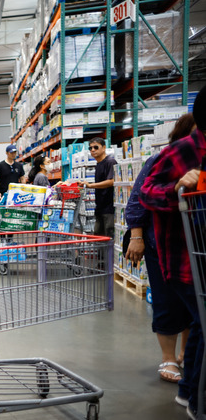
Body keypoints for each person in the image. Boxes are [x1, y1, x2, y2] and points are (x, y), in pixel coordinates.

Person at [140, 85, 206, 419]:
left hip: (196, 256)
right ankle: (194, 395)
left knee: (200, 323)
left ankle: (189, 391)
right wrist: (178, 186)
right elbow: (143, 195)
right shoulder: (176, 154)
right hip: (183, 257)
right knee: (195, 318)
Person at [126, 113, 196, 386]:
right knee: (167, 300)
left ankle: (185, 355)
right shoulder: (160, 161)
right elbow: (136, 200)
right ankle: (168, 357)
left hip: (193, 245)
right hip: (161, 244)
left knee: (193, 304)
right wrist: (137, 237)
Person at [83, 137, 116, 238]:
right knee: (98, 237)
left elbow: (112, 181)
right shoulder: (99, 164)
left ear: (104, 147)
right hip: (100, 208)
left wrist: (91, 185)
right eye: (90, 148)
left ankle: (108, 255)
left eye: (96, 147)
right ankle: (102, 255)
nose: (92, 150)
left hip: (109, 208)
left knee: (108, 237)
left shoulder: (110, 162)